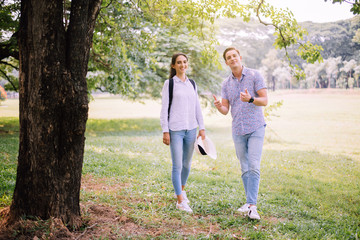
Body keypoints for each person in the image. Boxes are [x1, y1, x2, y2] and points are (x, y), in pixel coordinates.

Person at [213, 47, 268, 220]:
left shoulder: (254, 75)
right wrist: (219, 106)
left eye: (234, 56)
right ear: (226, 62)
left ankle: (252, 205)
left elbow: (265, 100)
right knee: (244, 166)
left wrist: (251, 99)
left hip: (256, 127)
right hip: (237, 129)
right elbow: (225, 109)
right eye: (228, 57)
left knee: (253, 164)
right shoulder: (226, 84)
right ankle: (249, 203)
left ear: (240, 57)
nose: (232, 59)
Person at [160, 53, 206, 213]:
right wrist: (165, 131)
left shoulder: (192, 84)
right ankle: (180, 201)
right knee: (177, 165)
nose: (182, 65)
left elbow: (197, 107)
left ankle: (181, 190)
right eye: (179, 62)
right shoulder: (169, 84)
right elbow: (164, 108)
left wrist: (202, 127)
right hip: (175, 130)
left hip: (191, 129)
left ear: (187, 64)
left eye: (184, 62)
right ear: (173, 66)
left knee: (187, 165)